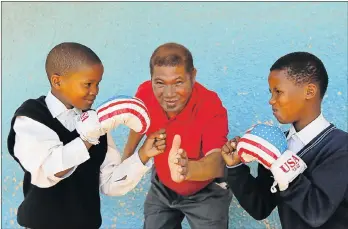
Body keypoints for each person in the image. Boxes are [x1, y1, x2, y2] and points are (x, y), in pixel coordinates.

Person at [7, 42, 167, 229]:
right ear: (57, 81)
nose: (95, 91)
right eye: (88, 84)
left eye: (98, 84)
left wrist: (143, 155)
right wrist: (88, 138)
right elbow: (50, 170)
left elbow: (109, 184)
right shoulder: (30, 117)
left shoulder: (94, 121)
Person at [220, 52, 348, 229]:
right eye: (271, 92)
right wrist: (235, 169)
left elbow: (316, 212)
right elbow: (260, 207)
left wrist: (283, 166)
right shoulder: (278, 144)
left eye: (278, 92)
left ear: (309, 91)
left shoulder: (341, 148)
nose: (271, 100)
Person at [123, 42, 233, 229]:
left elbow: (217, 162)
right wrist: (127, 156)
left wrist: (186, 169)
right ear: (151, 79)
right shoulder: (145, 93)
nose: (169, 94)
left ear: (193, 76)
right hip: (162, 186)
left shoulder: (210, 105)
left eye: (178, 82)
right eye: (160, 83)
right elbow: (138, 121)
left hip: (205, 190)